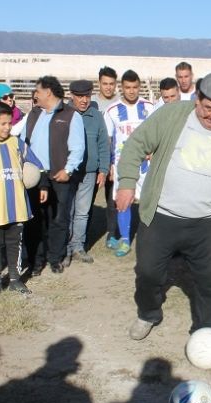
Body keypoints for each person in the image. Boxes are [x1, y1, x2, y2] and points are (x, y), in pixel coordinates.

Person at [117, 71, 211, 340]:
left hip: (207, 222)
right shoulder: (172, 115)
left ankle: (208, 332)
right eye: (209, 108)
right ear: (197, 98)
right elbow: (136, 144)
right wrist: (127, 182)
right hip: (161, 217)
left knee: (210, 281)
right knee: (148, 273)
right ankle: (149, 313)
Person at [0, 102, 46, 296]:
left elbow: (35, 164)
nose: (7, 127)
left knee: (15, 243)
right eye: (2, 123)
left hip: (17, 205)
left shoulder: (17, 143)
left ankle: (15, 278)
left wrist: (42, 183)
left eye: (9, 123)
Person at [21, 76, 85, 274]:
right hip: (34, 177)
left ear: (48, 92)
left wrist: (68, 170)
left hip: (58, 176)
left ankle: (55, 258)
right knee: (35, 220)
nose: (35, 95)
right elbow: (22, 143)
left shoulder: (71, 115)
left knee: (58, 219)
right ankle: (36, 260)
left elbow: (77, 147)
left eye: (37, 91)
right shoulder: (32, 115)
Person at [103, 70, 154, 257]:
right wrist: (108, 163)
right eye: (127, 87)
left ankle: (149, 238)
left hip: (146, 164)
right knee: (123, 202)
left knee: (149, 201)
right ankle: (125, 240)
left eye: (134, 87)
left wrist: (153, 150)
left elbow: (157, 133)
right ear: (121, 88)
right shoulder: (112, 110)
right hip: (122, 164)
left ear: (139, 87)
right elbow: (108, 140)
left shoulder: (150, 107)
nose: (131, 91)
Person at [66, 79, 110, 265]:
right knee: (68, 211)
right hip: (68, 172)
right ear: (72, 96)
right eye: (80, 96)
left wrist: (103, 169)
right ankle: (65, 249)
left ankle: (78, 247)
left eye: (87, 96)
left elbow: (103, 144)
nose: (84, 100)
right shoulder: (63, 114)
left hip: (90, 172)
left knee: (83, 212)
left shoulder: (96, 116)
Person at [92, 66, 120, 248]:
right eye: (105, 84)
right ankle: (81, 236)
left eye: (111, 84)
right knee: (87, 199)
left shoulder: (120, 103)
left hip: (114, 158)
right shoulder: (92, 103)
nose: (108, 87)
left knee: (112, 198)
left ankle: (112, 233)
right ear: (99, 83)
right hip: (94, 157)